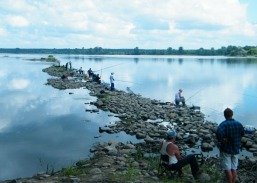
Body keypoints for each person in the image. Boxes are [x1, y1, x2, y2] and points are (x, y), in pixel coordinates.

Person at [216, 108, 244, 183]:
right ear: (232, 114)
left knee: (227, 168)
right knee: (234, 168)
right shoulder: (239, 124)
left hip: (226, 149)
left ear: (224, 115)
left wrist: (222, 140)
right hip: (236, 149)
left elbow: (218, 133)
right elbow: (242, 133)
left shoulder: (223, 124)